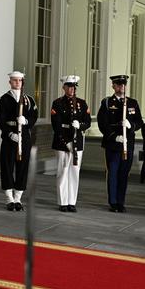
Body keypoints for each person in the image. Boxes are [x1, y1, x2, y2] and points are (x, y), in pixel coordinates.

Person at [96, 75, 143, 212]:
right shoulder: (106, 103)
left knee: (124, 173)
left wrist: (131, 125)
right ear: (113, 86)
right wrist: (114, 137)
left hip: (127, 145)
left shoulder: (132, 103)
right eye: (119, 84)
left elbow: (139, 122)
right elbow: (102, 124)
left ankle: (121, 201)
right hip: (113, 145)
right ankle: (113, 202)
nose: (122, 86)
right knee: (113, 173)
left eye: (124, 84)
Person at [0, 71, 38, 211]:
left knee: (22, 168)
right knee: (7, 167)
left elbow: (34, 116)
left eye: (20, 80)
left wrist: (26, 120)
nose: (17, 83)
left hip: (24, 137)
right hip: (9, 137)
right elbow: (0, 121)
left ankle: (18, 197)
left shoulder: (29, 99)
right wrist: (9, 134)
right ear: (10, 82)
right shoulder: (3, 100)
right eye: (14, 80)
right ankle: (9, 198)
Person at [50, 75, 91, 212]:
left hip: (77, 142)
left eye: (74, 87)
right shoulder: (57, 103)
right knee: (63, 171)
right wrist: (66, 142)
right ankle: (63, 202)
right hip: (62, 142)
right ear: (64, 87)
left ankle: (71, 201)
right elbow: (56, 125)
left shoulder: (82, 103)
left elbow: (88, 122)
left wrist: (80, 125)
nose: (72, 89)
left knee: (74, 172)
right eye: (69, 86)